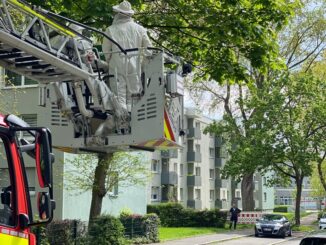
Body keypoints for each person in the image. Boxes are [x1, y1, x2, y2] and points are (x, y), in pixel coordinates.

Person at [102, 0, 152, 111]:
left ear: (118, 13)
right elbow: (150, 50)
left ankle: (121, 123)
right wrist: (143, 65)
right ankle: (133, 124)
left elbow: (106, 51)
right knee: (134, 99)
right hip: (135, 67)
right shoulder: (140, 29)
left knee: (119, 98)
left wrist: (110, 62)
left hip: (116, 67)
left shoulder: (110, 30)